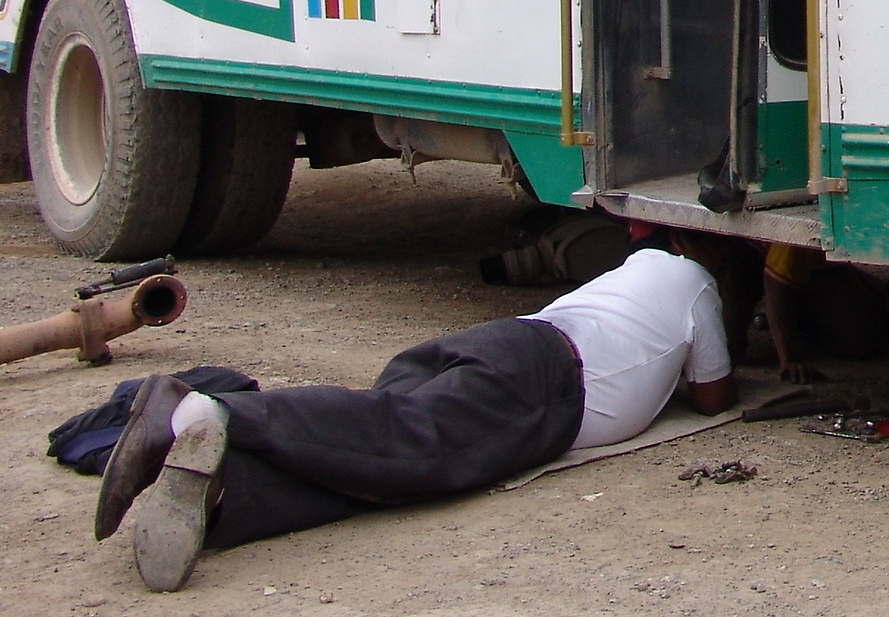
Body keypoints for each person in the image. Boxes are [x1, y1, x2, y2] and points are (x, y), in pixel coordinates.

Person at [94, 228, 734, 592]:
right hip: (545, 380)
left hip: (502, 342)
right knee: (413, 448)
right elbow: (714, 398)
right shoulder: (698, 285)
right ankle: (196, 412)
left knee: (379, 464)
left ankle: (223, 493)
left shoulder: (636, 267)